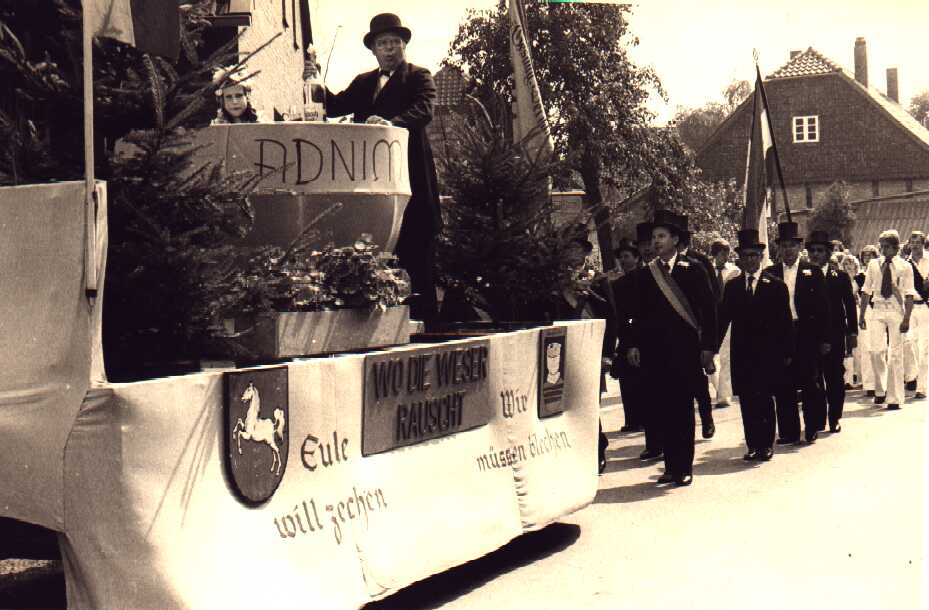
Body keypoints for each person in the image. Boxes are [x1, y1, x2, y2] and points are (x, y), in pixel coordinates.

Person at [324, 13, 441, 327]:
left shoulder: (419, 76)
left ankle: (423, 324)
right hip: (372, 179)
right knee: (378, 244)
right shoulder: (363, 82)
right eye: (382, 44)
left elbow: (424, 110)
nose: (389, 49)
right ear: (373, 50)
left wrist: (391, 125)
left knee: (416, 247)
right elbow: (335, 107)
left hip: (410, 174)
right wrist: (314, 84)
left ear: (403, 46)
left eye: (395, 43)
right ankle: (380, 325)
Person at [624, 210, 717, 487]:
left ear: (675, 239)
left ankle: (684, 466)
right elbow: (635, 314)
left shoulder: (694, 269)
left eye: (662, 236)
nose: (656, 242)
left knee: (683, 410)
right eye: (654, 238)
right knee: (662, 409)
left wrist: (709, 347)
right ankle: (670, 467)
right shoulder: (646, 274)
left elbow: (709, 311)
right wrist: (633, 344)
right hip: (655, 352)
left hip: (685, 352)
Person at [717, 229, 793, 461]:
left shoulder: (776, 285)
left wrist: (787, 352)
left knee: (765, 399)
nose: (750, 260)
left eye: (754, 255)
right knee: (748, 400)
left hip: (768, 353)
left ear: (761, 257)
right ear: (739, 258)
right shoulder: (733, 286)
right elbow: (723, 319)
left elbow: (785, 323)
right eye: (746, 255)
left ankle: (766, 444)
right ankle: (752, 444)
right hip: (742, 353)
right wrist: (710, 347)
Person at [766, 221, 830, 444]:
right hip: (781, 334)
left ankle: (811, 426)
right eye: (784, 246)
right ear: (779, 249)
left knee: (809, 380)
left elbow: (823, 308)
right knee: (783, 383)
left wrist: (824, 338)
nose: (788, 250)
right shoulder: (770, 273)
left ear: (799, 247)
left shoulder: (811, 272)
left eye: (792, 246)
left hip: (806, 333)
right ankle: (788, 431)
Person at [617, 222, 663, 461]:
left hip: (669, 341)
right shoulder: (630, 280)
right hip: (644, 343)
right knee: (649, 394)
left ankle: (670, 442)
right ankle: (654, 444)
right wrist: (631, 344)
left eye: (652, 243)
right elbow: (626, 316)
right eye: (644, 244)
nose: (648, 248)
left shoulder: (670, 272)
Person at [806, 231, 857, 433]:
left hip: (835, 335)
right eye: (812, 251)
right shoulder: (804, 276)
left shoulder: (840, 277)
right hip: (810, 336)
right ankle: (818, 419)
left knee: (834, 377)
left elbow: (849, 306)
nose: (816, 255)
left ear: (828, 253)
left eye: (820, 251)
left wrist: (852, 332)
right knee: (814, 379)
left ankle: (834, 416)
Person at [859, 230, 915, 410]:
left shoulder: (905, 267)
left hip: (896, 311)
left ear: (896, 248)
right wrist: (862, 315)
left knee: (896, 355)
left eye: (886, 247)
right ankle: (880, 388)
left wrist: (906, 318)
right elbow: (866, 290)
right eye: (881, 246)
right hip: (877, 310)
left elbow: (909, 295)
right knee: (875, 351)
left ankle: (894, 397)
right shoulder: (874, 265)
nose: (883, 250)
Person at [676, 214, 718, 439]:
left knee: (698, 382)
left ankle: (707, 418)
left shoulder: (699, 262)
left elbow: (711, 300)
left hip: (695, 330)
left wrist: (709, 340)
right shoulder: (657, 266)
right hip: (672, 336)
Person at [709, 238, 740, 409]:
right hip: (711, 319)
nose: (725, 256)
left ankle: (723, 395)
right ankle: (718, 387)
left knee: (726, 356)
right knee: (712, 356)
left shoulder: (734, 271)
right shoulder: (707, 271)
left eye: (727, 252)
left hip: (728, 320)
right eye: (721, 253)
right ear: (715, 254)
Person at [905, 231, 929, 399]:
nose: (915, 245)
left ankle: (922, 387)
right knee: (909, 344)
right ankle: (912, 373)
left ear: (923, 243)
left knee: (924, 348)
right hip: (910, 308)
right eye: (912, 242)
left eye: (918, 242)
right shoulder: (905, 264)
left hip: (926, 308)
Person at [856, 245, 882, 397]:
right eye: (865, 256)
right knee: (866, 348)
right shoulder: (859, 276)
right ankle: (869, 383)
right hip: (866, 311)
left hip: (879, 310)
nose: (868, 258)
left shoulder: (881, 273)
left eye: (871, 255)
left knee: (878, 349)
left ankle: (880, 383)